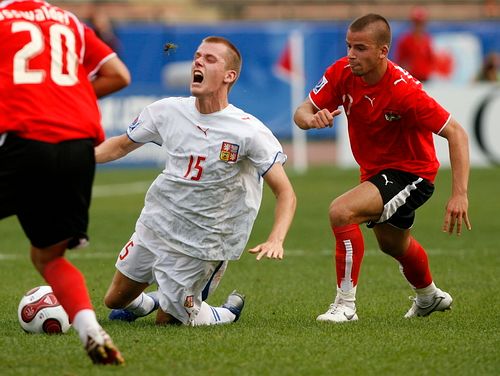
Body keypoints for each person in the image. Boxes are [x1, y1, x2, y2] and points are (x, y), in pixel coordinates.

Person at [95, 36, 296, 327]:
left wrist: (276, 238)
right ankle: (157, 298)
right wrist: (78, 157)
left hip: (205, 242)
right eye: (197, 56)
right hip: (158, 224)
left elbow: (286, 192)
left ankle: (225, 312)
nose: (198, 62)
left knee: (170, 322)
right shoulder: (166, 111)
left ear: (230, 76)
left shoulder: (249, 132)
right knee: (114, 301)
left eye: (210, 58)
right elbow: (120, 145)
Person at [294, 14, 471, 323]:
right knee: (393, 244)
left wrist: (460, 194)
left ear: (382, 51)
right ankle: (429, 297)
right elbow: (302, 110)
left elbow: (456, 132)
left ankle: (345, 306)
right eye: (349, 46)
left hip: (412, 173)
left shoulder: (405, 91)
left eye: (360, 48)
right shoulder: (341, 72)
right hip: (377, 173)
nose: (351, 54)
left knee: (341, 212)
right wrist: (309, 120)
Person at [0, 0, 130, 364]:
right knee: (48, 255)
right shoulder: (67, 20)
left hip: (22, 139)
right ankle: (91, 330)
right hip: (77, 146)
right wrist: (62, 99)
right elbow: (119, 74)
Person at [394, 7, 436, 82]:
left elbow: (431, 59)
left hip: (425, 79)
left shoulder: (427, 39)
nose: (419, 26)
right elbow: (399, 60)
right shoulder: (405, 40)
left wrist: (428, 71)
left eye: (421, 23)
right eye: (416, 23)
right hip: (411, 80)